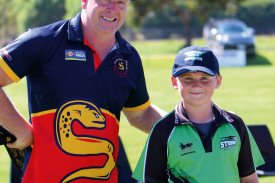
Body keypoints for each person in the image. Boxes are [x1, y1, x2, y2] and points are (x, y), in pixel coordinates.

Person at [0, 0, 166, 182]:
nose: (112, 8)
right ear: (84, 1)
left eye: (120, 2)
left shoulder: (129, 57)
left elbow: (141, 115)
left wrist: (186, 125)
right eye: (105, 0)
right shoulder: (43, 40)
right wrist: (21, 131)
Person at [132, 45, 265, 183]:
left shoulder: (236, 125)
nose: (196, 85)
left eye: (204, 78)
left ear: (218, 81)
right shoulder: (162, 131)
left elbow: (249, 179)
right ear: (174, 81)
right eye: (188, 78)